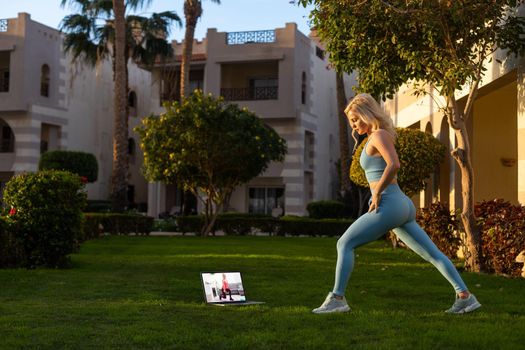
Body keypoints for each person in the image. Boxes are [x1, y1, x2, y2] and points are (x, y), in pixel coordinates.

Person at [312, 93, 481, 314]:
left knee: (344, 244)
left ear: (367, 114)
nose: (353, 125)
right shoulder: (375, 136)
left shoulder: (379, 135)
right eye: (350, 121)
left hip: (390, 203)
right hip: (400, 204)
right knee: (432, 254)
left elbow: (394, 164)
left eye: (355, 119)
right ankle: (465, 296)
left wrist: (378, 192)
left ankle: (337, 299)